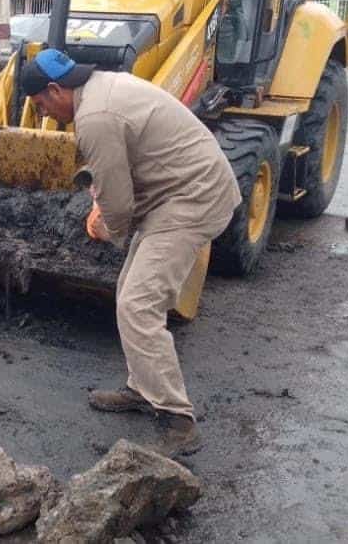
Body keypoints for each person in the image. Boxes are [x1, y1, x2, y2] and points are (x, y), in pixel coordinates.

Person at [20, 48, 241, 458]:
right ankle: (143, 387)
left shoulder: (95, 119)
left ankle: (177, 418)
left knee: (140, 304)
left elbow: (119, 207)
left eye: (41, 105)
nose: (46, 115)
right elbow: (117, 174)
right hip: (173, 192)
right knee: (129, 291)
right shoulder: (101, 86)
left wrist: (103, 226)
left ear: (55, 89)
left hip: (193, 197)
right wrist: (102, 198)